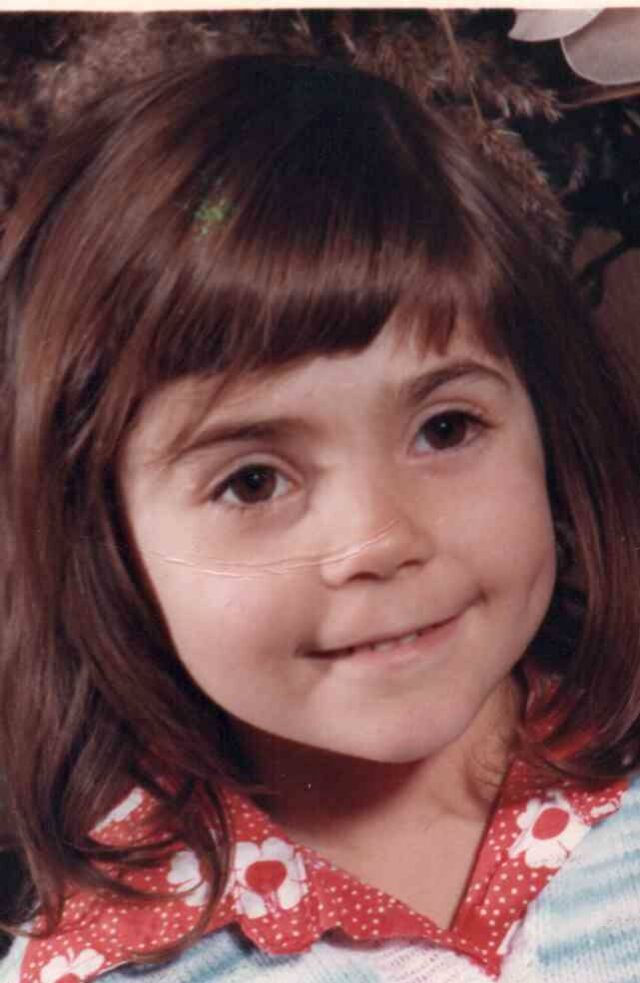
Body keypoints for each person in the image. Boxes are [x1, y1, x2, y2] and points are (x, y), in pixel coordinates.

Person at [1, 53, 639, 983]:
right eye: (254, 481)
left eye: (446, 427)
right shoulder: (102, 965)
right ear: (106, 542)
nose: (381, 538)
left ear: (548, 420)